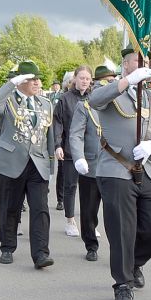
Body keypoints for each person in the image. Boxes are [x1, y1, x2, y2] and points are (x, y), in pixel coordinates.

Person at [89, 46, 151, 300]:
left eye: (145, 63)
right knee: (121, 228)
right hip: (117, 169)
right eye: (138, 62)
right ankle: (123, 284)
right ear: (125, 65)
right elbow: (94, 100)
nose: (144, 66)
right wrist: (126, 82)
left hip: (149, 168)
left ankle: (135, 262)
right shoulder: (112, 92)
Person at [0, 61, 56, 269]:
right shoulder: (8, 101)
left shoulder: (46, 103)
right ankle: (7, 247)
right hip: (12, 161)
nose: (37, 82)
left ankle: (41, 253)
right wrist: (11, 83)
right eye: (31, 79)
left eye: (38, 78)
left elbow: (49, 136)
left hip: (38, 162)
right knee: (10, 206)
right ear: (21, 81)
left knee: (40, 209)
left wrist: (51, 167)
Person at [70, 62, 117, 261]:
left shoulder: (119, 105)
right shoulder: (85, 106)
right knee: (89, 211)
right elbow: (76, 134)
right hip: (91, 166)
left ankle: (118, 249)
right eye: (105, 82)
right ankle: (91, 245)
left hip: (115, 167)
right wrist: (79, 156)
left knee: (115, 213)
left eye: (112, 82)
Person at [53, 66, 94, 237]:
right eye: (81, 77)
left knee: (91, 190)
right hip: (70, 150)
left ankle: (90, 224)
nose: (84, 81)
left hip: (91, 151)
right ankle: (70, 220)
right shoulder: (65, 99)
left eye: (87, 78)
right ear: (75, 79)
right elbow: (58, 123)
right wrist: (57, 145)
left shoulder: (94, 98)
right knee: (70, 186)